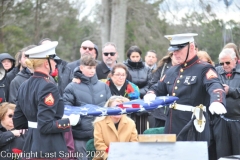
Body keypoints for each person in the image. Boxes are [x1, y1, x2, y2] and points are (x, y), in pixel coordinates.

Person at [144, 33, 227, 159]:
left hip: (192, 126)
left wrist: (217, 100)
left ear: (191, 47)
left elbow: (214, 85)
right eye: (173, 50)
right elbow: (158, 87)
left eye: (179, 49)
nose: (175, 53)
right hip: (172, 125)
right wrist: (151, 93)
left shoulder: (203, 68)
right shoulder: (172, 70)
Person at [13, 41, 80, 159]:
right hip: (48, 147)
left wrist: (34, 123)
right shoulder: (48, 86)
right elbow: (45, 126)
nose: (55, 63)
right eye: (54, 60)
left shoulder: (24, 85)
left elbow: (18, 121)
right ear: (46, 63)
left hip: (30, 145)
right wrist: (68, 121)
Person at [63, 55, 111, 160]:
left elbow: (109, 108)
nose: (92, 70)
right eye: (89, 68)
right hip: (80, 136)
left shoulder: (104, 86)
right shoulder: (72, 87)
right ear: (81, 68)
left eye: (94, 67)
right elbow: (67, 109)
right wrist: (80, 121)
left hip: (101, 135)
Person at [214, 48, 240, 158]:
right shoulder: (216, 72)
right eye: (221, 63)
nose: (224, 65)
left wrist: (231, 91)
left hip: (238, 119)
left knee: (237, 152)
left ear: (235, 60)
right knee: (222, 153)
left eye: (227, 62)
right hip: (220, 120)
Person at [93, 96, 138, 160]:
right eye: (114, 108)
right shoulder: (99, 123)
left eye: (120, 107)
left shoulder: (131, 123)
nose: (118, 110)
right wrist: (110, 156)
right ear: (109, 109)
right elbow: (99, 145)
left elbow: (133, 144)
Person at [148, 52, 178, 128]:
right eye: (175, 55)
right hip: (160, 109)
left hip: (176, 110)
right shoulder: (163, 67)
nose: (178, 57)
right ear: (171, 56)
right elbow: (153, 84)